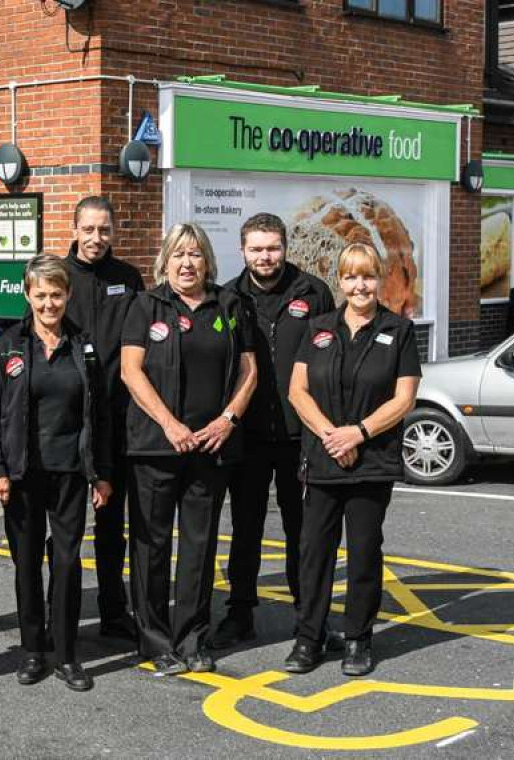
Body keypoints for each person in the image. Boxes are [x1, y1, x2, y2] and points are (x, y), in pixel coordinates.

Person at [121, 223, 257, 675]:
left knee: (199, 546)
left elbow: (249, 371)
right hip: (156, 447)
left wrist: (227, 420)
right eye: (178, 254)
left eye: (195, 254)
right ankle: (155, 640)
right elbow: (131, 372)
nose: (186, 263)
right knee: (151, 547)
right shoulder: (145, 305)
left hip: (210, 447)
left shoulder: (230, 304)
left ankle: (193, 638)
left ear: (208, 262)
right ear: (164, 261)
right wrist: (169, 424)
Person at [286, 242, 421, 677]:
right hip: (324, 459)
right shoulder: (318, 328)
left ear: (379, 280)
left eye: (367, 276)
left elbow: (403, 399)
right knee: (314, 553)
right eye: (350, 276)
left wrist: (357, 434)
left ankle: (359, 639)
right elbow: (297, 391)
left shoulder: (398, 331)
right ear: (339, 281)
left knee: (363, 553)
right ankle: (309, 639)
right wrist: (331, 436)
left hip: (371, 462)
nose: (359, 285)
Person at [0, 254, 114, 692]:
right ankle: (33, 650)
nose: (48, 303)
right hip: (22, 474)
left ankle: (66, 654)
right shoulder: (9, 344)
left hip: (71, 473)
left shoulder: (84, 344)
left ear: (68, 295)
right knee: (26, 566)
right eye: (40, 295)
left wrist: (101, 473)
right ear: (27, 295)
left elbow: (102, 414)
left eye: (56, 294)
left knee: (67, 562)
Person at [212, 213, 334, 647]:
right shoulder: (228, 297)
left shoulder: (313, 293)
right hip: (248, 436)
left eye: (273, 248)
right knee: (245, 529)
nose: (266, 256)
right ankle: (239, 613)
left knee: (304, 531)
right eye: (257, 249)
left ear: (286, 247)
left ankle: (310, 619)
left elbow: (329, 361)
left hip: (301, 437)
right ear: (243, 250)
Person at [63, 196, 144, 640]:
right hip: (71, 420)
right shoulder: (57, 275)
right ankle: (65, 612)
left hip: (119, 418)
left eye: (105, 230)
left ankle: (115, 609)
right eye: (89, 229)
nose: (97, 238)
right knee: (68, 524)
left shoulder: (128, 278)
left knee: (114, 524)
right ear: (74, 229)